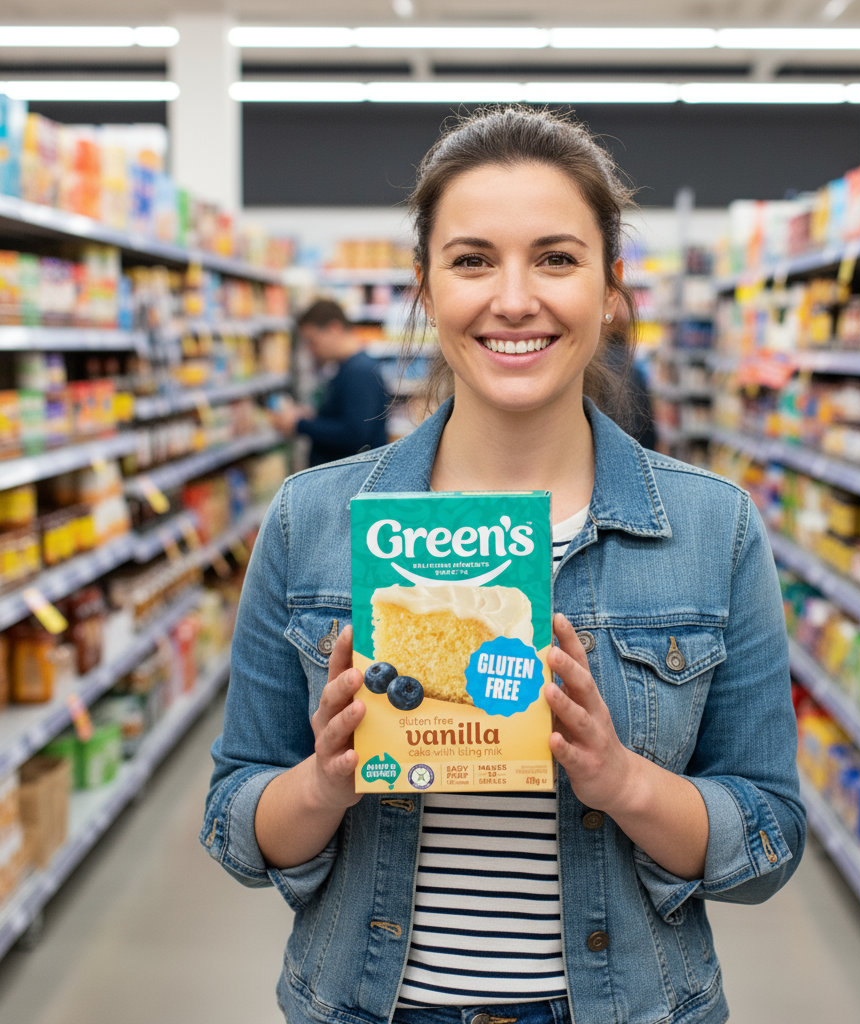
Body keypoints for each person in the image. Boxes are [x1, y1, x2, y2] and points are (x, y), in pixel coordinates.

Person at [204, 106, 804, 1024]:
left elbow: (768, 840)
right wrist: (322, 782)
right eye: (473, 259)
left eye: (557, 258)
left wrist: (623, 781)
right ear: (424, 288)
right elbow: (234, 823)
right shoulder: (314, 521)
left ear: (611, 289)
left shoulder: (711, 527)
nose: (513, 298)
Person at [269, 299, 389, 465]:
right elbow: (347, 418)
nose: (311, 350)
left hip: (352, 482)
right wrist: (313, 418)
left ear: (335, 329)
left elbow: (354, 434)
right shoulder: (347, 367)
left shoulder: (359, 372)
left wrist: (300, 424)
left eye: (313, 341)